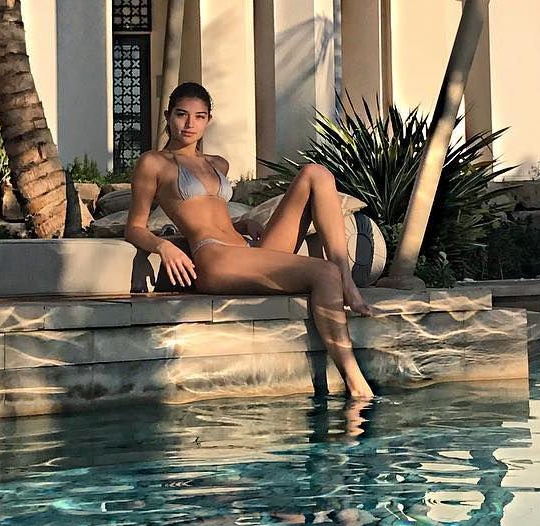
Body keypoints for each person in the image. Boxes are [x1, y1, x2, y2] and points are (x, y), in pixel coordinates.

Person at [124, 81, 375, 400]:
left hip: (246, 249)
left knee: (317, 173)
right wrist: (164, 246)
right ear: (168, 116)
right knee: (324, 272)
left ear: (208, 120)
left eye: (199, 117)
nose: (189, 124)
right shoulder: (154, 163)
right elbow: (134, 227)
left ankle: (348, 284)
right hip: (215, 258)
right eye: (181, 114)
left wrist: (240, 223)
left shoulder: (217, 164)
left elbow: (210, 212)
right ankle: (356, 383)